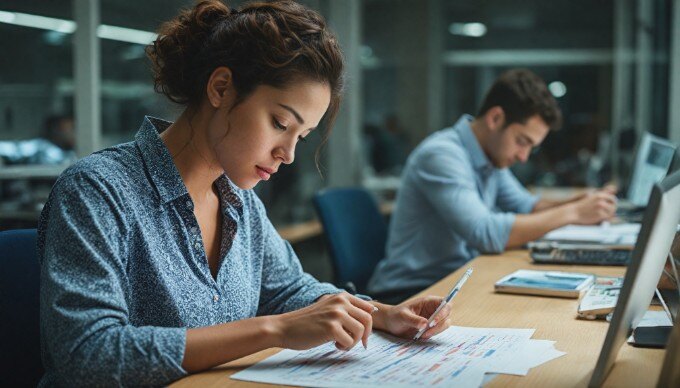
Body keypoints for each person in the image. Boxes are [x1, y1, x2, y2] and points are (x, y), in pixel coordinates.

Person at [38, 1, 452, 385]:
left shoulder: (240, 201)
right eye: (279, 122)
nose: (287, 154)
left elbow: (288, 291)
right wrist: (275, 330)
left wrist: (382, 314)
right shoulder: (97, 191)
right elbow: (88, 354)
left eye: (301, 136)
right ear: (221, 88)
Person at [368, 69, 618, 303]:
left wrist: (581, 202)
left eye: (532, 147)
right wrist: (574, 213)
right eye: (522, 141)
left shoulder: (490, 157)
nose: (523, 156)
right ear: (496, 118)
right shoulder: (442, 154)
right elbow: (485, 233)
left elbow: (527, 206)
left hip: (455, 280)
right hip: (409, 293)